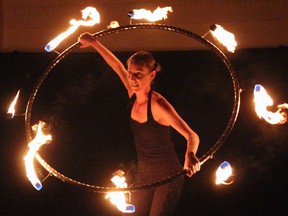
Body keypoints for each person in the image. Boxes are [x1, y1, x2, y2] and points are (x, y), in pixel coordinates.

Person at [78, 32, 201, 216]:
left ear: (151, 75)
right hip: (144, 175)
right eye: (131, 74)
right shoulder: (132, 94)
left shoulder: (158, 104)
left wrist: (190, 155)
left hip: (169, 176)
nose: (133, 79)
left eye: (138, 74)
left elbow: (192, 135)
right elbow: (117, 66)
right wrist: (94, 43)